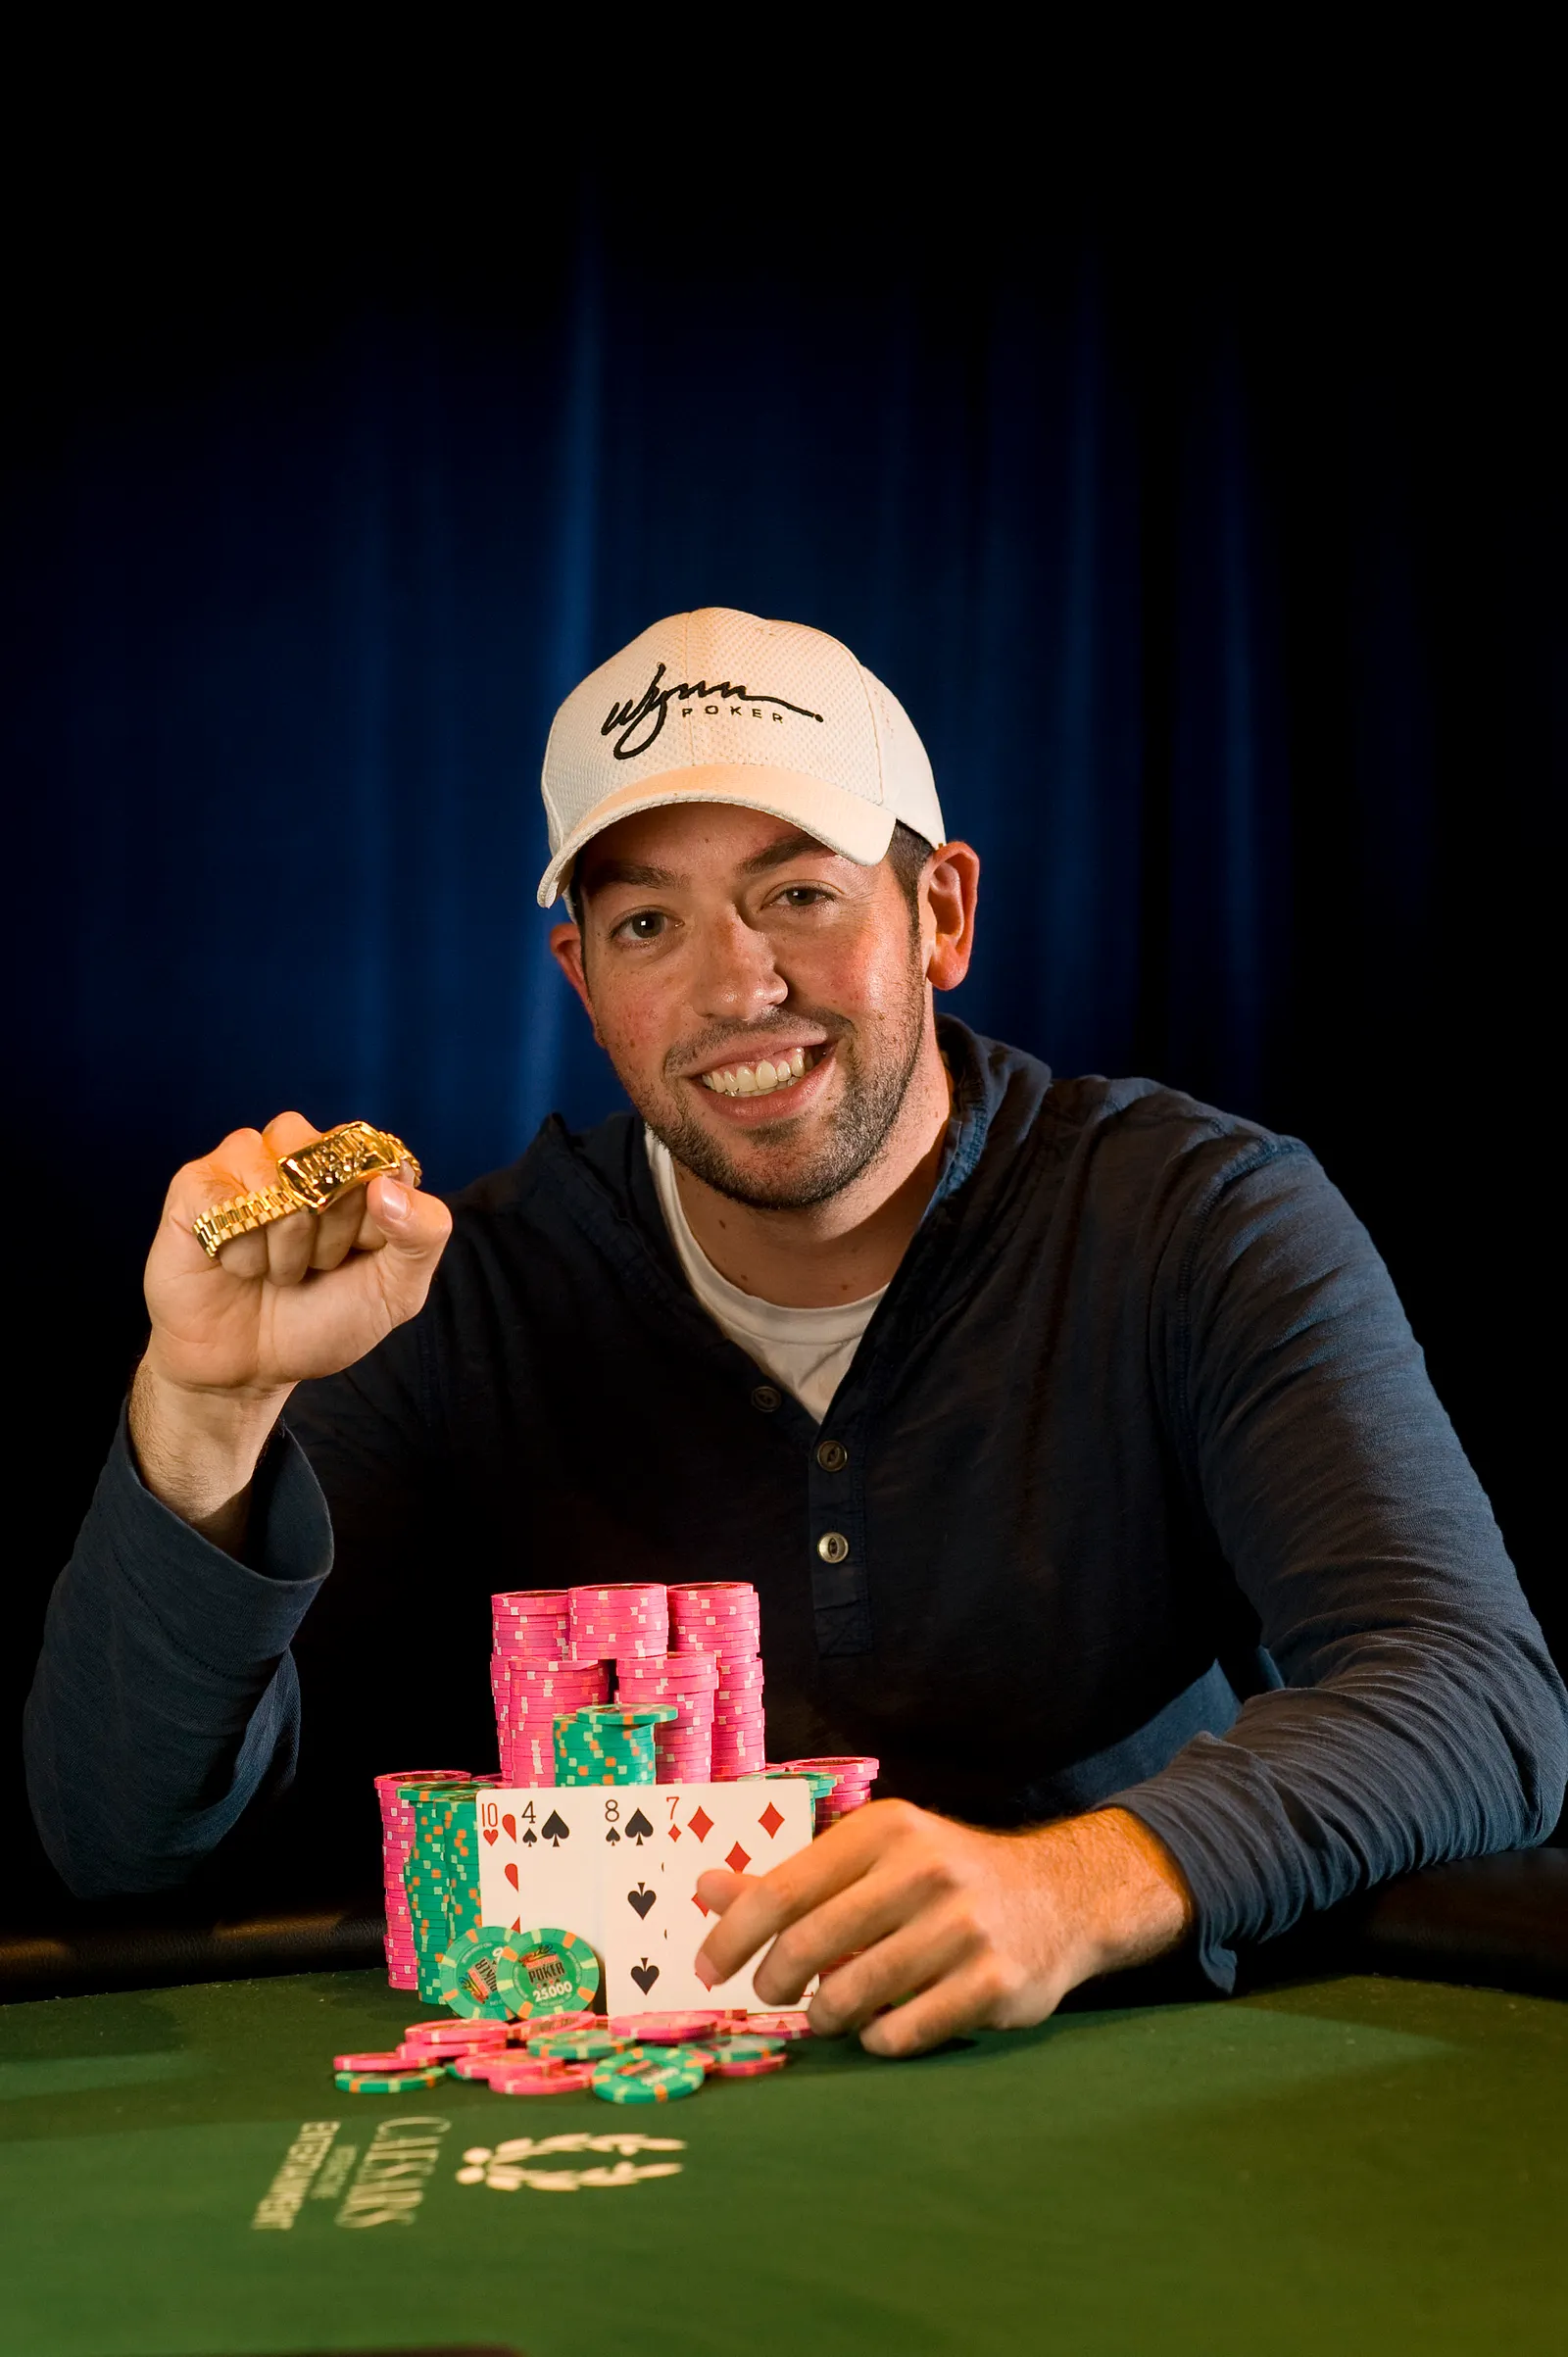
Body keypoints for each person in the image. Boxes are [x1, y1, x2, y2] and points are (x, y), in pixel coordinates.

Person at [25, 608, 1566, 2058]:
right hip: (647, 2133)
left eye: (799, 894)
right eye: (648, 923)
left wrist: (1079, 1884)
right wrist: (202, 1410)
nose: (736, 988)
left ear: (940, 912)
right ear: (583, 980)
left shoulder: (1200, 1218)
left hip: (1145, 2078)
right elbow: (121, 1850)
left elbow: (1475, 1693)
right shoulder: (456, 1297)